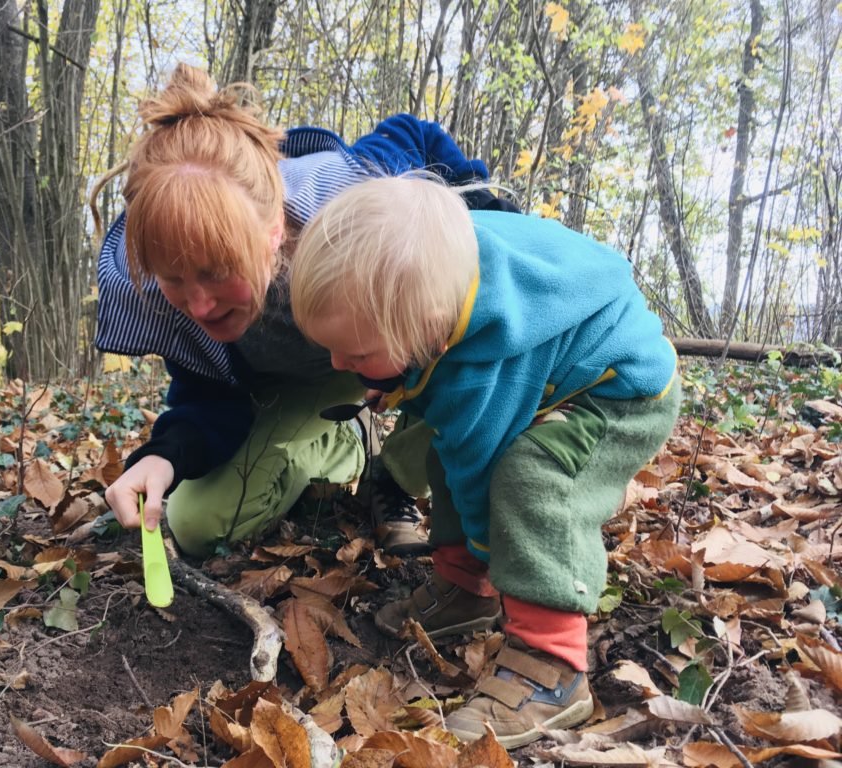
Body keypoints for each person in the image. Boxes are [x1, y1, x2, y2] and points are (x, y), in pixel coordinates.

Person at [289, 174, 680, 747]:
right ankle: (463, 591)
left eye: (359, 353)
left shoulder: (482, 361)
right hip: (551, 377)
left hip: (621, 394)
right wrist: (390, 375)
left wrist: (497, 561)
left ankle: (551, 663)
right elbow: (429, 393)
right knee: (439, 445)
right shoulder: (438, 276)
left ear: (430, 330)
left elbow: (480, 470)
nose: (339, 361)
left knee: (530, 477)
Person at [91, 63, 516, 558]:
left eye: (217, 270)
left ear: (273, 231)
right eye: (175, 279)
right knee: (197, 523)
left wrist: (489, 219)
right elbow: (207, 397)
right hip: (301, 388)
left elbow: (417, 137)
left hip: (398, 350)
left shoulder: (353, 203)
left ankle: (398, 474)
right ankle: (347, 441)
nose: (200, 304)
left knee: (469, 322)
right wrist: (163, 457)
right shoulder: (173, 297)